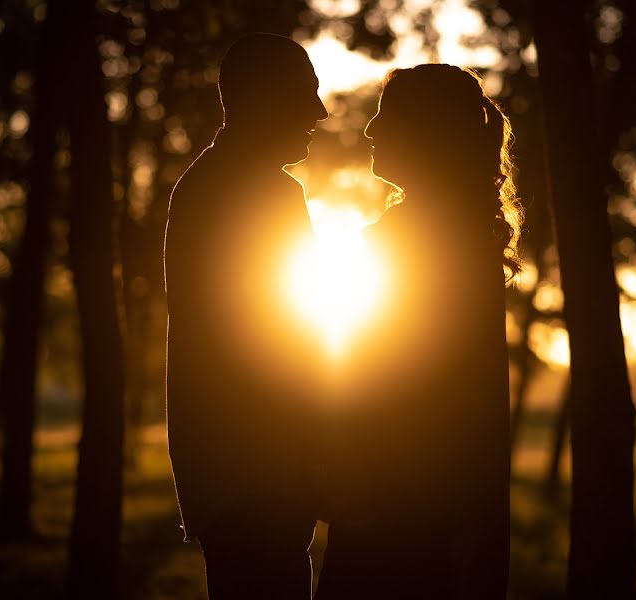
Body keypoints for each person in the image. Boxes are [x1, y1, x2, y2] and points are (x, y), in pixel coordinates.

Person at [316, 64, 522, 599]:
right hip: (412, 488)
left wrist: (347, 459)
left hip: (403, 492)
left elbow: (389, 372)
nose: (371, 131)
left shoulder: (431, 238)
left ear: (426, 131)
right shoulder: (453, 228)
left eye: (388, 118)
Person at [164, 33, 328, 599]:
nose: (320, 112)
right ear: (261, 98)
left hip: (235, 473)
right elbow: (285, 339)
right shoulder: (260, 191)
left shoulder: (207, 185)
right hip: (260, 471)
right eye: (306, 94)